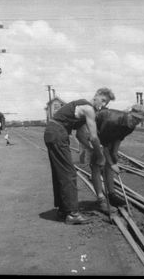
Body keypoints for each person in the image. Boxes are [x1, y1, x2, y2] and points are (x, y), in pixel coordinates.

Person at [43, 88, 115, 225]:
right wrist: (100, 156)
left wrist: (90, 150)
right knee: (69, 173)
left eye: (106, 103)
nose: (104, 105)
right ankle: (72, 214)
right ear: (96, 96)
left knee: (61, 173)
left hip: (53, 132)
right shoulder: (88, 109)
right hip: (58, 132)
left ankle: (63, 210)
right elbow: (93, 137)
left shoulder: (82, 108)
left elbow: (80, 135)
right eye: (103, 100)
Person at [78, 104, 144, 214]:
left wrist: (115, 153)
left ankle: (111, 195)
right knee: (98, 162)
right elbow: (102, 144)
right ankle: (101, 200)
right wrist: (111, 163)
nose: (136, 121)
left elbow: (118, 138)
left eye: (139, 120)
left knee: (110, 161)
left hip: (104, 134)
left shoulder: (131, 125)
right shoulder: (112, 121)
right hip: (89, 131)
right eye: (134, 118)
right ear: (130, 114)